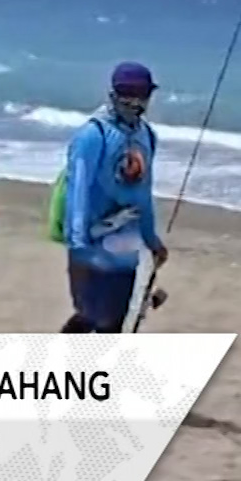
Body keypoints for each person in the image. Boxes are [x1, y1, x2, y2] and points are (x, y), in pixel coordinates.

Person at [58, 60, 170, 333]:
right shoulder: (92, 136)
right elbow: (78, 193)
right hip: (91, 247)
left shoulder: (147, 136)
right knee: (88, 317)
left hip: (125, 248)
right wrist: (79, 247)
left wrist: (151, 240)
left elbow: (143, 194)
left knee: (114, 324)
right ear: (113, 93)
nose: (135, 101)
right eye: (127, 92)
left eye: (142, 93)